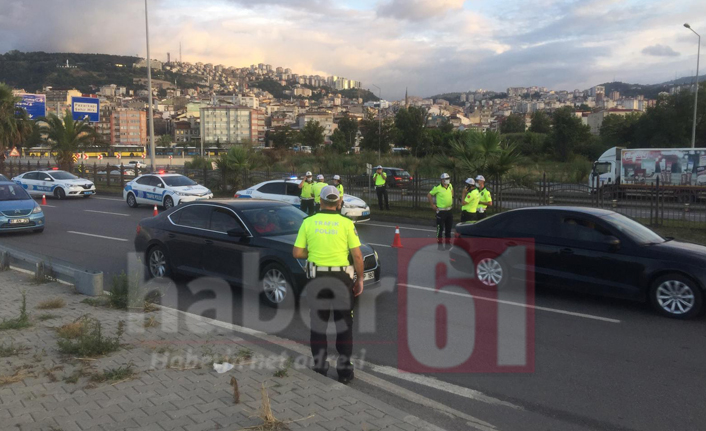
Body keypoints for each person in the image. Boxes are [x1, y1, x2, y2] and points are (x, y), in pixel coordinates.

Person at [292, 185, 365, 384]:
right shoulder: (346, 223)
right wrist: (359, 279)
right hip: (342, 281)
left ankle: (320, 368)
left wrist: (314, 254)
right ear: (339, 202)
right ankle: (344, 373)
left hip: (317, 279)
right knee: (343, 326)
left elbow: (297, 253)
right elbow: (357, 255)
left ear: (319, 201)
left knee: (318, 326)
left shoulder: (308, 222)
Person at [427, 173, 454, 249]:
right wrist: (433, 205)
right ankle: (440, 244)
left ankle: (448, 244)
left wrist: (451, 197)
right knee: (440, 229)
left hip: (449, 210)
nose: (447, 180)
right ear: (442, 180)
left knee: (448, 229)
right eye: (446, 179)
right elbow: (429, 195)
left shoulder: (450, 185)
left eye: (448, 178)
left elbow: (452, 190)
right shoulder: (437, 187)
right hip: (441, 211)